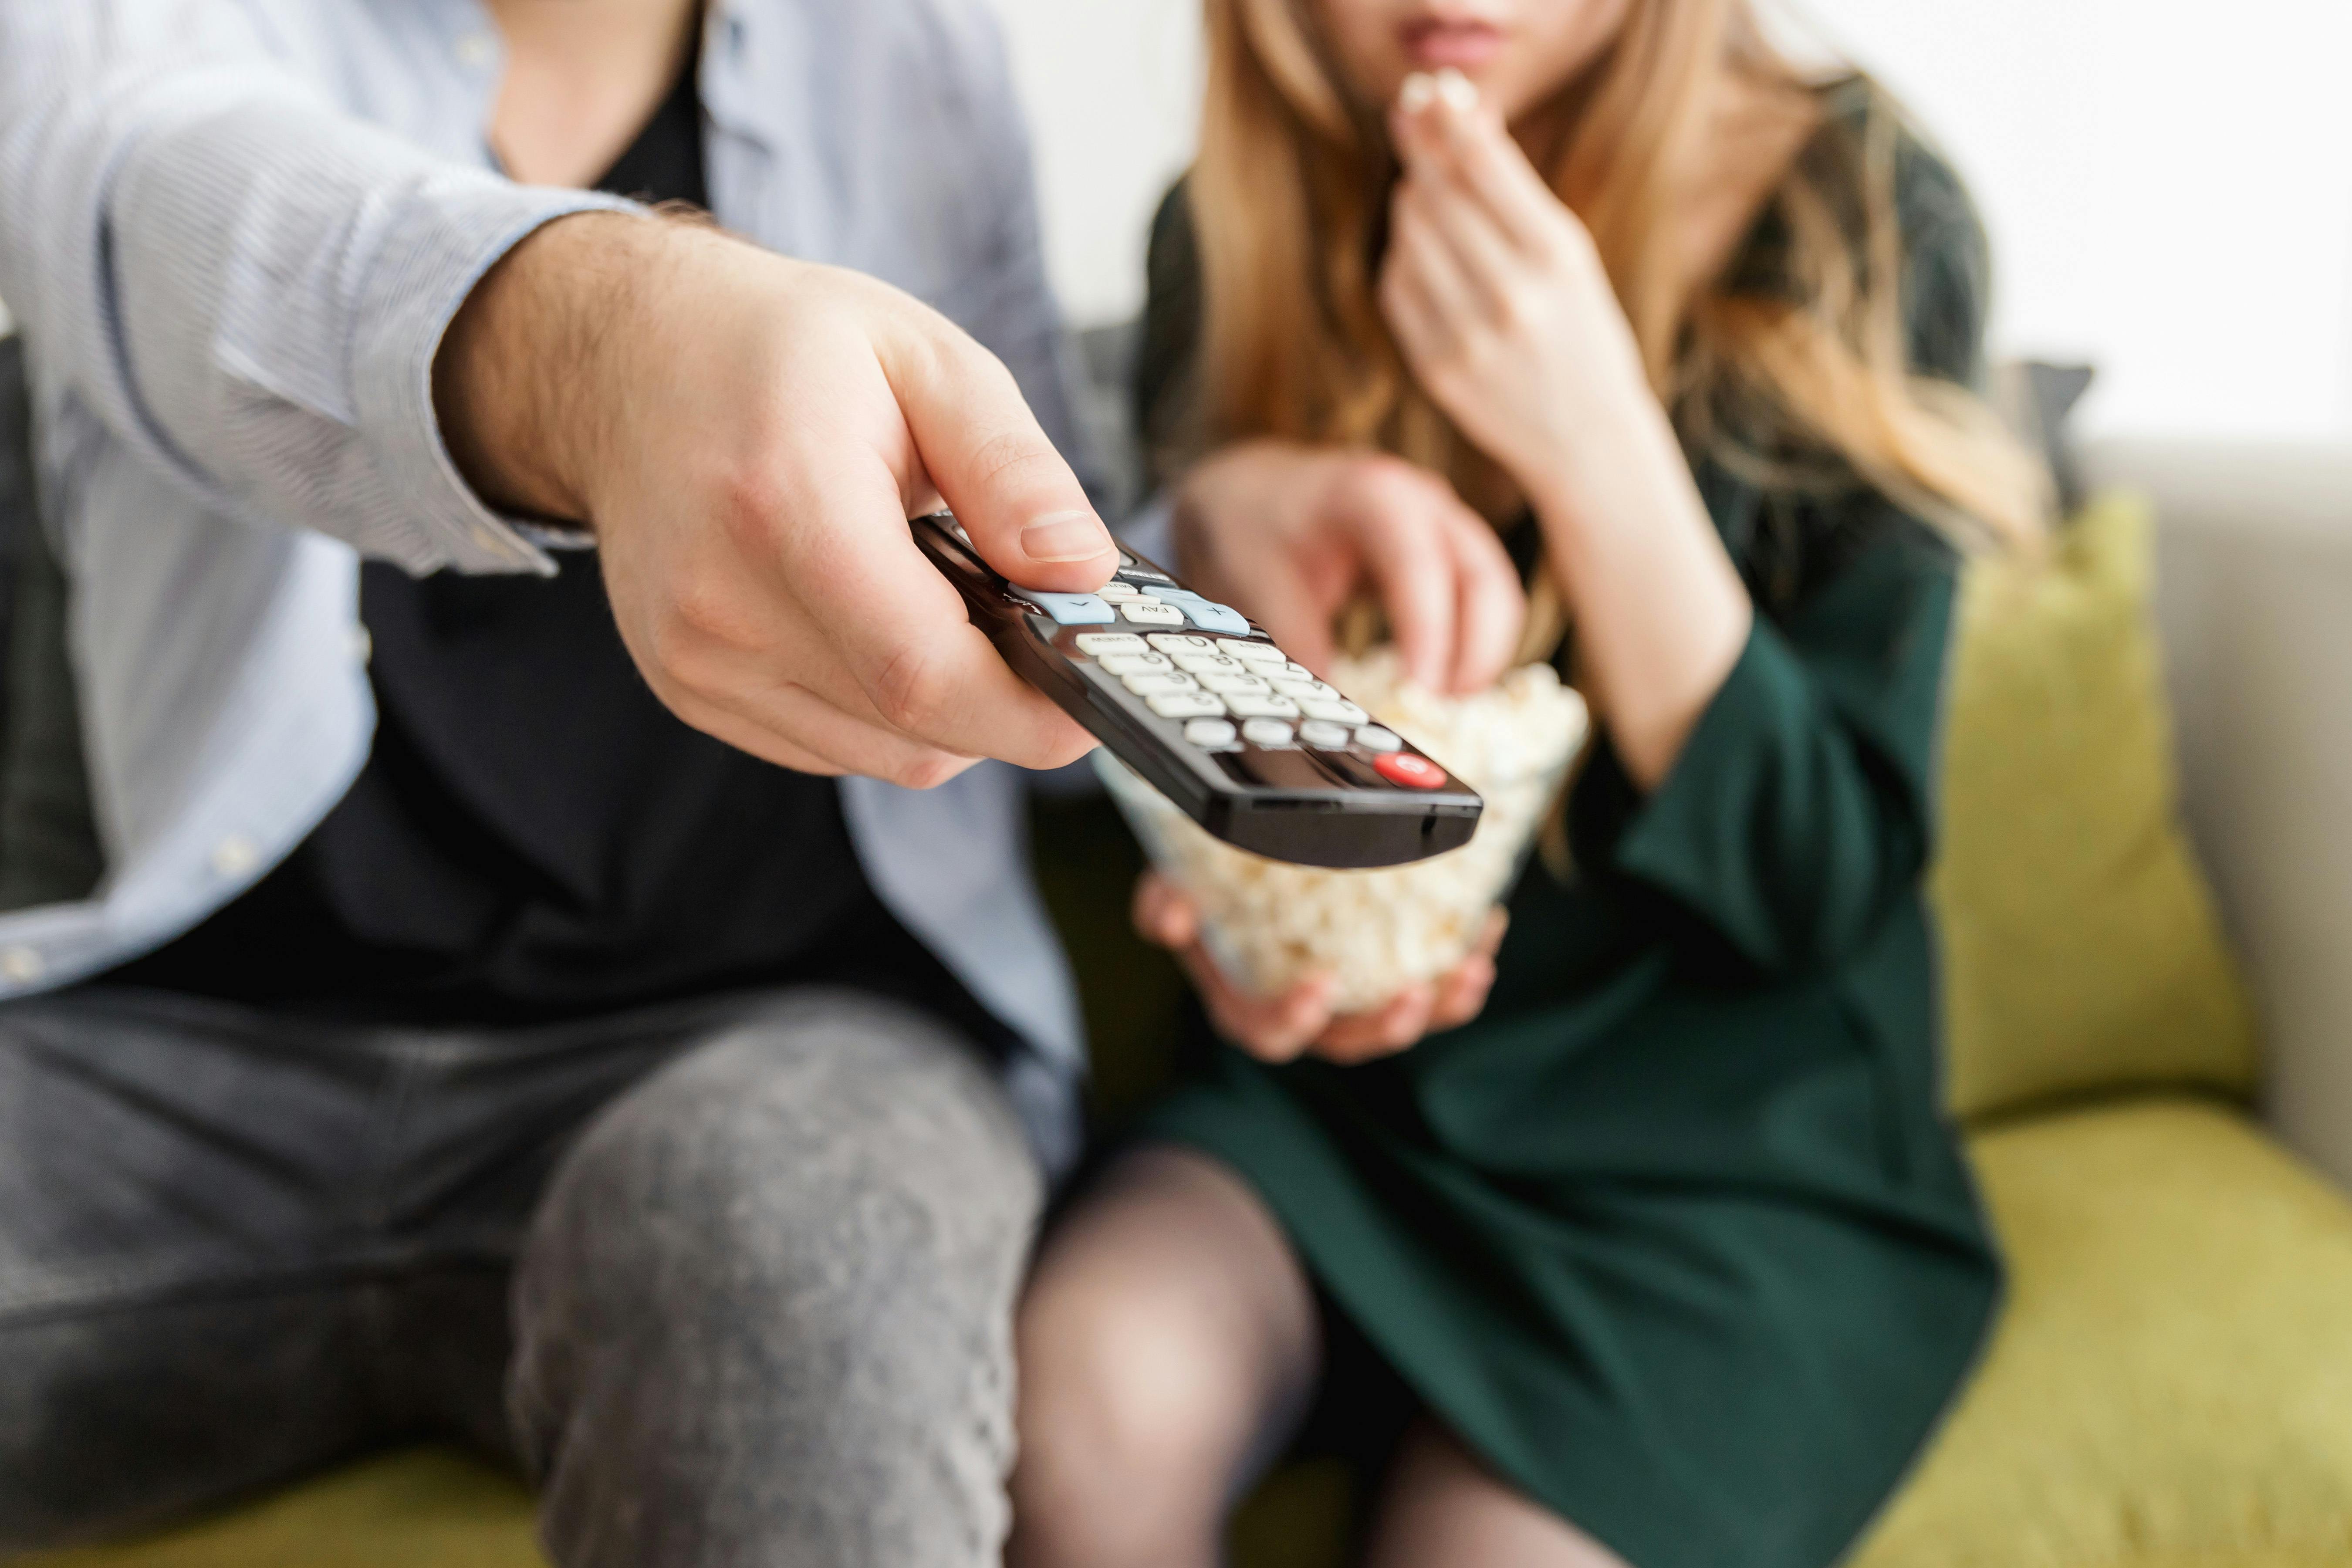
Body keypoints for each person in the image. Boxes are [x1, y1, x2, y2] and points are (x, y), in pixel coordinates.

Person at [0, 1, 1122, 1563]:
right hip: (197, 1053)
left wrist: (1227, 537)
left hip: (783, 1042)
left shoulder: (914, 46)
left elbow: (1054, 534)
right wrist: (616, 351)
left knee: (790, 1264)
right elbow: (168, 195)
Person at [1010, 2, 2047, 1566]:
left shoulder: (1859, 211)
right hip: (1340, 1121)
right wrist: (1252, 917)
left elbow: (1819, 883)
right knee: (1076, 1406)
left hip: (1729, 1165)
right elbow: (1226, 806)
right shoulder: (1227, 232)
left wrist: (1594, 437)